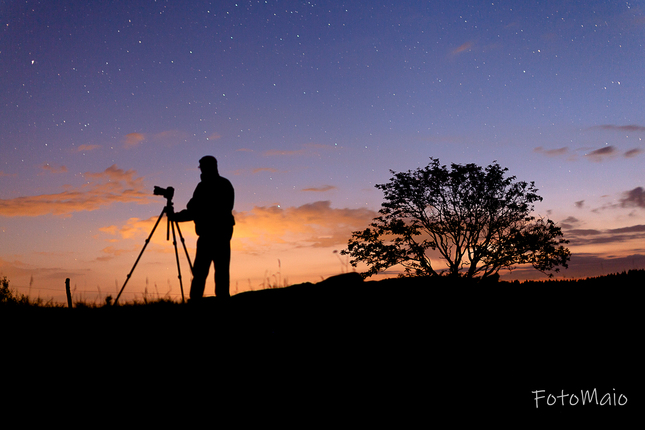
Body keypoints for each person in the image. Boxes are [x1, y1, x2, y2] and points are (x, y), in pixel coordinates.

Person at [170, 156, 235, 300]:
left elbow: (194, 209)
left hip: (209, 235)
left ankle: (195, 302)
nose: (201, 170)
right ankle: (222, 301)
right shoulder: (225, 184)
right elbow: (195, 208)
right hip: (223, 234)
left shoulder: (204, 186)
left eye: (202, 167)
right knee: (221, 272)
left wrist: (176, 217)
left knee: (200, 273)